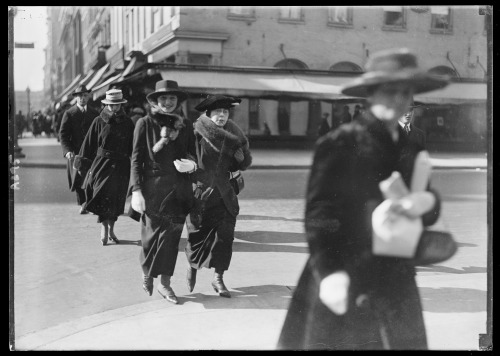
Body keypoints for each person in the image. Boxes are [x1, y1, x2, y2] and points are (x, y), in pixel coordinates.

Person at [277, 48, 448, 350]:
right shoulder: (341, 141)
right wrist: (329, 273)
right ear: (371, 94)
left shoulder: (412, 145)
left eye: (405, 93)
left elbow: (426, 198)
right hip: (346, 268)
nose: (398, 100)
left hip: (395, 275)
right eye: (389, 91)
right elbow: (320, 211)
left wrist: (427, 203)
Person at [129, 79, 198, 304]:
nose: (168, 102)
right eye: (163, 98)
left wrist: (192, 165)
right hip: (152, 188)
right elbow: (136, 159)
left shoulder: (185, 125)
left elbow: (192, 153)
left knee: (171, 238)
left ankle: (165, 284)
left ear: (177, 101)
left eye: (172, 98)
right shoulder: (145, 123)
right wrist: (136, 190)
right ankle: (147, 272)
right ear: (156, 101)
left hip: (178, 188)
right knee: (150, 237)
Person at [184, 94, 252, 298]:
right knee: (197, 235)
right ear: (208, 113)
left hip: (226, 191)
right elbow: (187, 156)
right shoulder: (197, 131)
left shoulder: (234, 132)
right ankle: (193, 266)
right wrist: (190, 168)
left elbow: (245, 161)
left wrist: (242, 159)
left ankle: (218, 277)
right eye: (217, 112)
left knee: (225, 237)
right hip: (202, 191)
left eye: (225, 112)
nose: (222, 115)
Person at [76, 89, 135, 246]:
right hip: (102, 164)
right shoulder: (98, 121)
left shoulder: (128, 122)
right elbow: (88, 143)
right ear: (106, 104)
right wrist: (83, 163)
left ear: (121, 105)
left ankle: (112, 229)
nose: (114, 108)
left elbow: (133, 147)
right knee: (101, 194)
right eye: (111, 105)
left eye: (117, 105)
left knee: (117, 198)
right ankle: (104, 228)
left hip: (122, 166)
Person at [59, 84, 99, 214]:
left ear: (88, 97)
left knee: (92, 177)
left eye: (85, 96)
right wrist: (67, 151)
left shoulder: (94, 113)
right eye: (80, 96)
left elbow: (100, 132)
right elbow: (63, 135)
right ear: (76, 98)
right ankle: (83, 203)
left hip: (91, 152)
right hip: (75, 152)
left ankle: (91, 203)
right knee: (78, 178)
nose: (82, 98)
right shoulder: (69, 114)